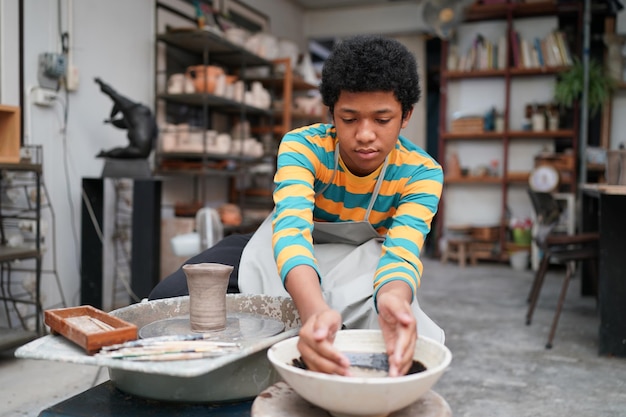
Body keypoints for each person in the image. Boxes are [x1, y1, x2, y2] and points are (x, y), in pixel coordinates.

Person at [149, 34, 444, 378]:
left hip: (362, 263)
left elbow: (401, 256)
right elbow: (291, 234)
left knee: (411, 340)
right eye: (349, 119)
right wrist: (314, 310)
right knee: (163, 301)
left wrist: (394, 299)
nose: (365, 134)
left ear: (405, 115)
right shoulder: (303, 147)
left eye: (382, 119)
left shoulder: (421, 173)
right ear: (331, 112)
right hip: (288, 249)